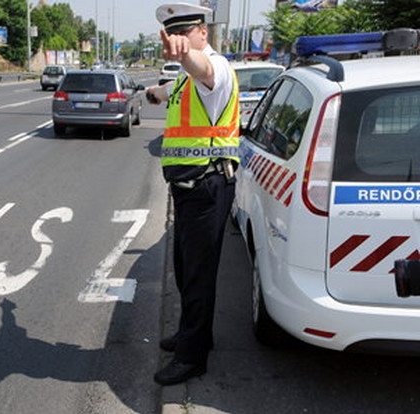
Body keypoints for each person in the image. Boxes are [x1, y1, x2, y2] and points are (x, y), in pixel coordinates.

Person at [146, 3, 240, 386]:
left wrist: (187, 55)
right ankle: (194, 335)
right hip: (189, 190)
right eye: (174, 35)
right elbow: (167, 91)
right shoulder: (186, 80)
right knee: (186, 270)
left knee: (198, 275)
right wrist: (152, 92)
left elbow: (202, 69)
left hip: (207, 186)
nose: (180, 41)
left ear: (203, 32)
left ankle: (192, 358)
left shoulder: (213, 70)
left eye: (186, 34)